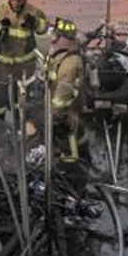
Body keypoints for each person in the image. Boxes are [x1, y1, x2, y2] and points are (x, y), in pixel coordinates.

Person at [0, 0, 50, 121]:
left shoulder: (34, 12)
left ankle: (21, 129)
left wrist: (36, 23)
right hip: (1, 65)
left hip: (25, 67)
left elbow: (44, 30)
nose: (17, 2)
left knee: (23, 102)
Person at [45, 18, 88, 165]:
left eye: (56, 35)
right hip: (66, 116)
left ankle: (70, 170)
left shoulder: (70, 64)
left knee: (68, 155)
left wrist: (46, 116)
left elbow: (61, 101)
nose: (53, 38)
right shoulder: (62, 54)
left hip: (66, 120)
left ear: (64, 38)